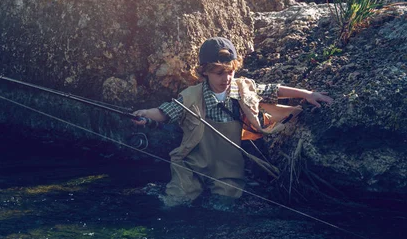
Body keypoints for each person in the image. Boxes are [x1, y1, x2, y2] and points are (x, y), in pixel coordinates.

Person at [132, 37, 333, 211]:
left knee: (222, 208)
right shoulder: (191, 96)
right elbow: (165, 112)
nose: (226, 78)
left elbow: (274, 90)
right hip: (193, 165)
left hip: (229, 170)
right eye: (219, 73)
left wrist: (308, 94)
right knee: (174, 203)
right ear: (204, 72)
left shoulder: (244, 90)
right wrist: (144, 114)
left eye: (230, 72)